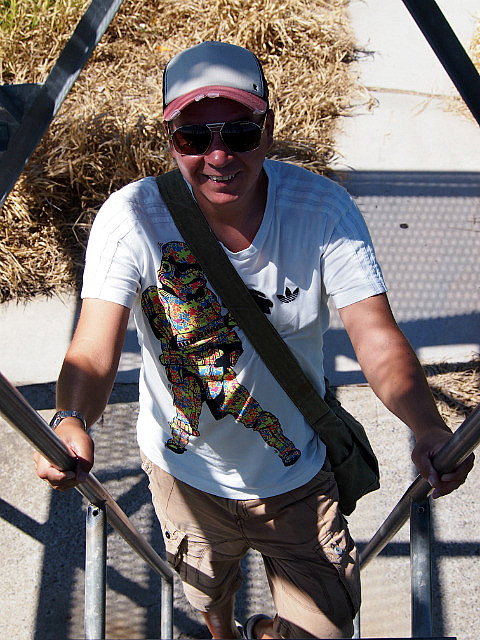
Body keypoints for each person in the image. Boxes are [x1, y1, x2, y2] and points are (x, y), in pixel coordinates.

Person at [34, 41, 474, 639]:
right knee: (208, 594)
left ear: (268, 129)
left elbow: (375, 336)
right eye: (193, 136)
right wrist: (69, 419)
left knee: (326, 628)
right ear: (169, 139)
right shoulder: (132, 217)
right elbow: (92, 349)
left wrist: (426, 425)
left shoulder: (321, 210)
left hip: (297, 479)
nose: (219, 156)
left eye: (240, 132)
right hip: (185, 477)